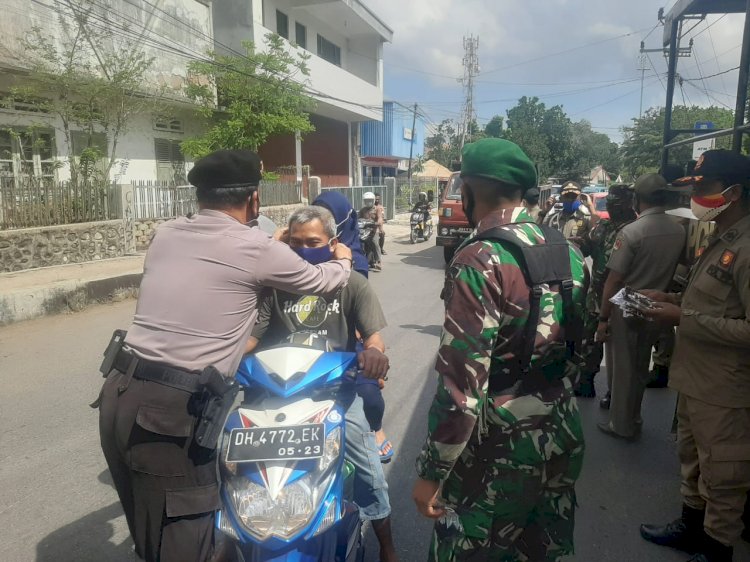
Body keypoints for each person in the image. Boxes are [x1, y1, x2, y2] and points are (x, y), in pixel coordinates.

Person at [96, 149, 353, 562]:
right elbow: (320, 281)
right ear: (255, 199)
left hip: (119, 394)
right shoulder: (255, 247)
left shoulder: (166, 233)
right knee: (188, 540)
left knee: (150, 536)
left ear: (199, 195)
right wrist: (343, 260)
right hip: (170, 412)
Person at [412, 138, 587, 561]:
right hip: (560, 432)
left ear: (469, 190)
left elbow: (461, 385)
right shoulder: (570, 251)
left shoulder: (481, 258)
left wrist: (433, 471)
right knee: (544, 548)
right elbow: (579, 346)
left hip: (497, 450)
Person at [247, 205, 398, 562]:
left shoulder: (352, 283)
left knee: (368, 471)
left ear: (332, 243)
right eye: (295, 242)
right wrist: (221, 358)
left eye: (312, 242)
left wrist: (374, 354)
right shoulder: (276, 285)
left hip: (337, 397)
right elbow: (251, 339)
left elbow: (374, 337)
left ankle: (387, 546)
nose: (303, 249)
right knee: (236, 460)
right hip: (277, 396)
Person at [639, 149, 750, 562]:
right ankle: (690, 527)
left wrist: (682, 317)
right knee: (692, 459)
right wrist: (669, 298)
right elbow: (711, 301)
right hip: (696, 379)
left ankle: (717, 548)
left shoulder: (748, 246)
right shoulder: (723, 235)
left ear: (734, 192)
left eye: (703, 187)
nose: (695, 196)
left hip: (725, 388)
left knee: (723, 475)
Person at [595, 173, 686, 440]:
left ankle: (621, 425)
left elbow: (614, 279)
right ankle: (634, 417)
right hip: (657, 304)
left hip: (628, 303)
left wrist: (603, 317)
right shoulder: (678, 229)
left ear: (637, 199)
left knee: (624, 369)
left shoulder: (632, 232)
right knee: (640, 365)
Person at [575, 184, 637, 401]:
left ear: (629, 204)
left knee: (619, 350)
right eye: (609, 204)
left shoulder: (635, 230)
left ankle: (615, 394)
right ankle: (586, 381)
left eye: (616, 205)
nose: (612, 209)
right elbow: (587, 246)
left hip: (623, 298)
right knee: (589, 341)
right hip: (596, 297)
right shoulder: (604, 226)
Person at [313, 191, 369, 277]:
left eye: (329, 217)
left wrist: (345, 264)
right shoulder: (302, 247)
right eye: (316, 215)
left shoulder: (357, 263)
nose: (322, 221)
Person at [359, 191, 382, 271]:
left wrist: (378, 222)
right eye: (366, 200)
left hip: (373, 231)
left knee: (375, 243)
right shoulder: (362, 210)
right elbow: (358, 219)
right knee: (360, 244)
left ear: (373, 200)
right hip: (364, 231)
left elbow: (380, 218)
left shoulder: (377, 209)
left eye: (370, 200)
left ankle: (379, 262)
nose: (368, 202)